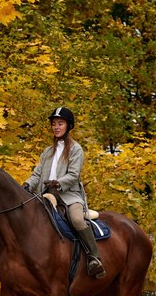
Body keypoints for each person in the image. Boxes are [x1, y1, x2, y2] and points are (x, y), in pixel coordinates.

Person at [22, 107, 106, 279]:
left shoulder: (76, 149)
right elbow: (37, 173)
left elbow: (73, 175)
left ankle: (94, 257)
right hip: (46, 194)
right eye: (54, 124)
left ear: (68, 126)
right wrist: (27, 185)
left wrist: (58, 183)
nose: (56, 127)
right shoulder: (47, 152)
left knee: (76, 219)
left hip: (68, 195)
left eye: (60, 123)